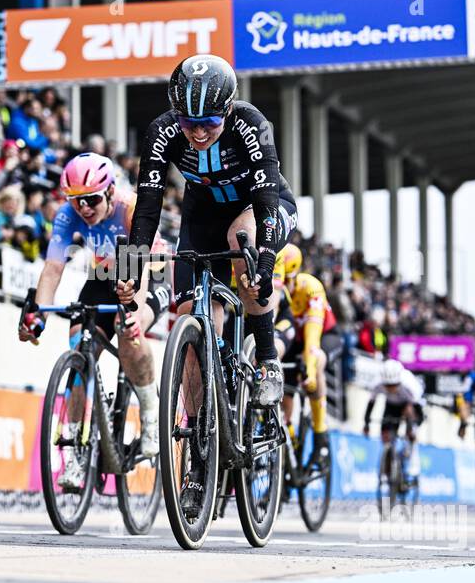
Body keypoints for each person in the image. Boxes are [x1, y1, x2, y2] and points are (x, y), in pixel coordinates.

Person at [122, 53, 298, 410]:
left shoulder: (252, 123)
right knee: (191, 316)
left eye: (210, 122)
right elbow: (145, 211)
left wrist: (264, 259)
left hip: (262, 206)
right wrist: (129, 273)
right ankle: (202, 441)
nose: (199, 132)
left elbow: (264, 195)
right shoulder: (161, 131)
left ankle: (266, 359)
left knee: (240, 237)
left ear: (229, 110)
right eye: (189, 123)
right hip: (203, 216)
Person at [20, 153, 170, 490]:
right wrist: (38, 316)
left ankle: (149, 416)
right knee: (78, 342)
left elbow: (143, 265)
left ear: (110, 192)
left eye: (90, 200)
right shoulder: (67, 216)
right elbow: (53, 268)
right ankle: (74, 454)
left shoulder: (130, 208)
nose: (84, 209)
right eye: (76, 202)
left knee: (130, 332)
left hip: (150, 269)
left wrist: (133, 312)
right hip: (103, 274)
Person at [272, 243, 333, 455]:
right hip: (293, 339)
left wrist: (309, 367)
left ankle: (320, 433)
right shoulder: (277, 290)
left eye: (287, 278)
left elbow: (312, 340)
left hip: (322, 335)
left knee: (315, 368)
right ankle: (288, 437)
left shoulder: (311, 288)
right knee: (286, 391)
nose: (283, 284)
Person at [363, 358, 425, 486]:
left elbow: (418, 410)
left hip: (408, 406)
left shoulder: (410, 384)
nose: (391, 389)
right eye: (388, 386)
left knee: (411, 429)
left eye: (394, 385)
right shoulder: (377, 383)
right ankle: (387, 469)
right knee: (386, 437)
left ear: (399, 381)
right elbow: (371, 404)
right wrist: (366, 424)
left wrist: (413, 426)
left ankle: (412, 462)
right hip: (391, 406)